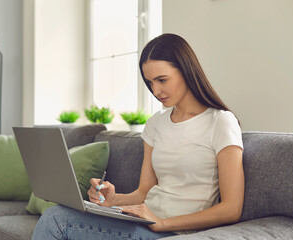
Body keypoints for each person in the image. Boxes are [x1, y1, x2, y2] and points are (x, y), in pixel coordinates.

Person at [32, 33, 244, 239]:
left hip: (173, 230)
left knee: (56, 220)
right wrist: (113, 200)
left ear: (186, 71)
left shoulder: (220, 122)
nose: (156, 90)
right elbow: (143, 192)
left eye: (162, 80)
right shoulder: (156, 123)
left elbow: (231, 209)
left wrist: (161, 223)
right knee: (59, 212)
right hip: (141, 221)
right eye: (150, 82)